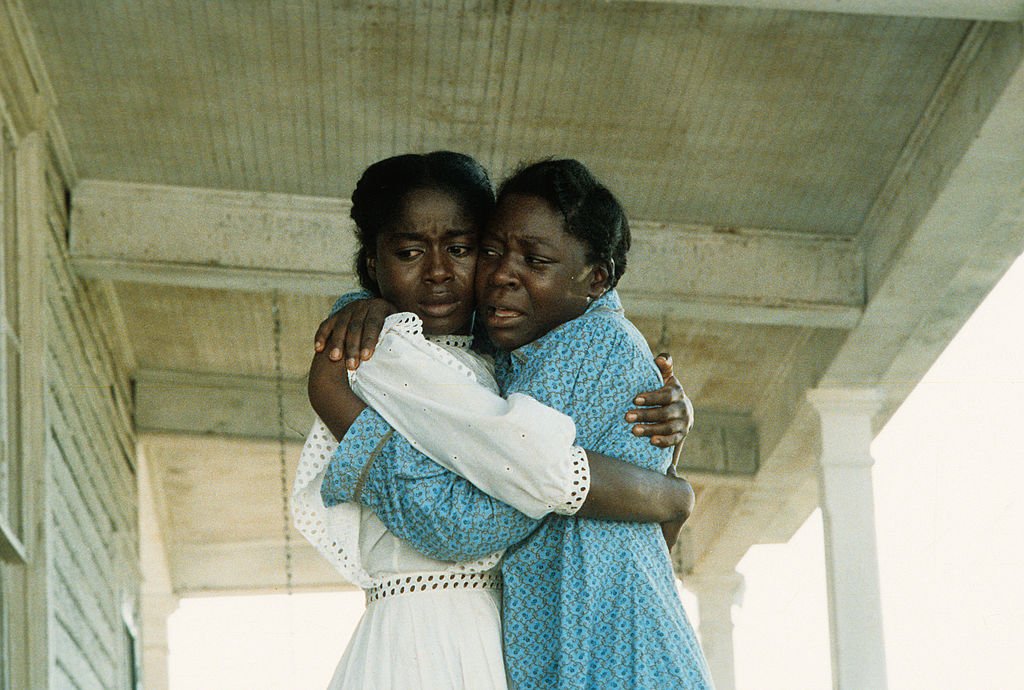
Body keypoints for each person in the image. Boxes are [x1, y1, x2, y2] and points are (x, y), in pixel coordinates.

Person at [293, 152, 698, 689]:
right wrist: (667, 494)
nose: (440, 271)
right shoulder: (388, 351)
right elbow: (462, 518)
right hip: (432, 639)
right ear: (374, 263)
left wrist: (668, 472)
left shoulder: (513, 361)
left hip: (524, 641)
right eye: (411, 252)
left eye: (462, 249)